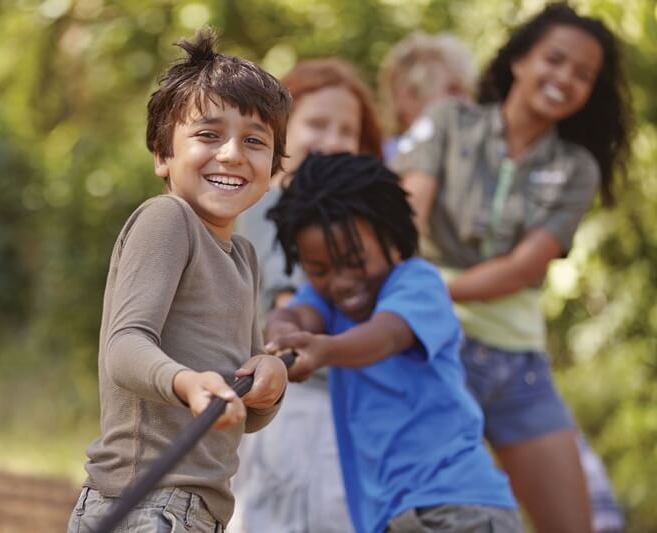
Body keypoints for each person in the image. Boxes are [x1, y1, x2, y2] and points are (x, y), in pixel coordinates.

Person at [392, 4, 632, 533]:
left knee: (575, 524)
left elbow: (523, 269)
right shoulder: (447, 122)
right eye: (554, 60)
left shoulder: (576, 168)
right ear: (520, 60)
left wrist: (433, 287)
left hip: (517, 366)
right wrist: (421, 305)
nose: (564, 78)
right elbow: (405, 221)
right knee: (424, 519)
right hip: (434, 351)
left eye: (583, 75)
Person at [66, 30, 291, 533]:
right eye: (209, 135)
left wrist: (268, 384)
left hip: (195, 509)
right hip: (146, 501)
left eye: (254, 141)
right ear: (162, 155)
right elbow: (123, 348)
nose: (233, 154)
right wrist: (186, 382)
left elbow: (240, 410)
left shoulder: (242, 256)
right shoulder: (168, 220)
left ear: (272, 167)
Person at [264, 152, 522, 533]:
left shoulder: (418, 283)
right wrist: (282, 336)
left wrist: (324, 350)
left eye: (355, 261)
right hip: (389, 519)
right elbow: (293, 315)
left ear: (393, 239)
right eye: (319, 270)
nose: (341, 282)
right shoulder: (326, 303)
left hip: (456, 507)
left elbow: (386, 335)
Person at [233, 58, 383, 533]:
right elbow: (284, 301)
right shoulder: (273, 203)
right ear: (281, 131)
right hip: (293, 404)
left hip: (346, 401)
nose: (332, 139)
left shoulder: (361, 221)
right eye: (317, 124)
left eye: (347, 131)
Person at [377, 32, 476, 163]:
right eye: (453, 90)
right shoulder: (383, 162)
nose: (467, 102)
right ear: (408, 96)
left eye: (467, 91)